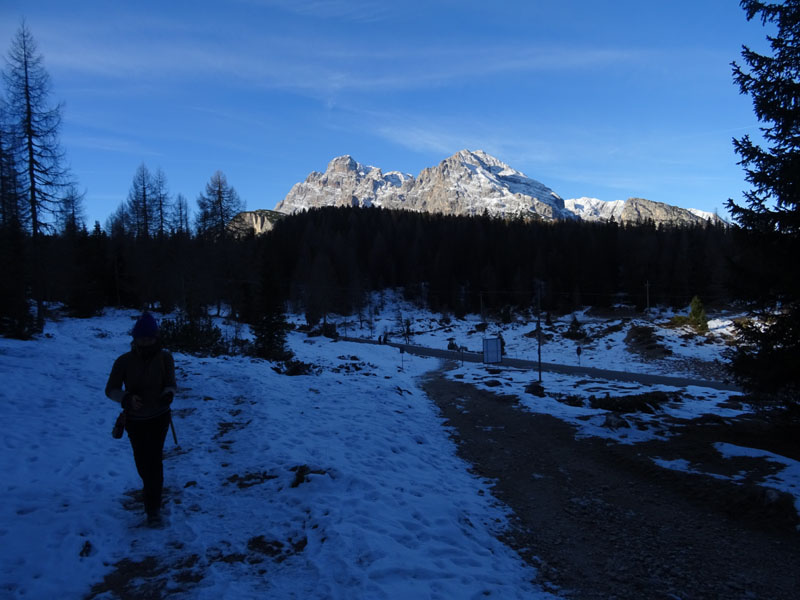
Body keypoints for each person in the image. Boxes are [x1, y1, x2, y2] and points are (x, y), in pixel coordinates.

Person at [106, 312, 177, 527]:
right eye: (142, 337)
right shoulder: (123, 361)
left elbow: (171, 383)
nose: (146, 341)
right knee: (142, 461)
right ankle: (151, 489)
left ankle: (152, 507)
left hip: (159, 417)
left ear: (156, 338)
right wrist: (126, 398)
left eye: (150, 337)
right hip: (135, 421)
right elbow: (111, 389)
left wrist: (168, 394)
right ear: (135, 338)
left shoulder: (165, 358)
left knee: (153, 460)